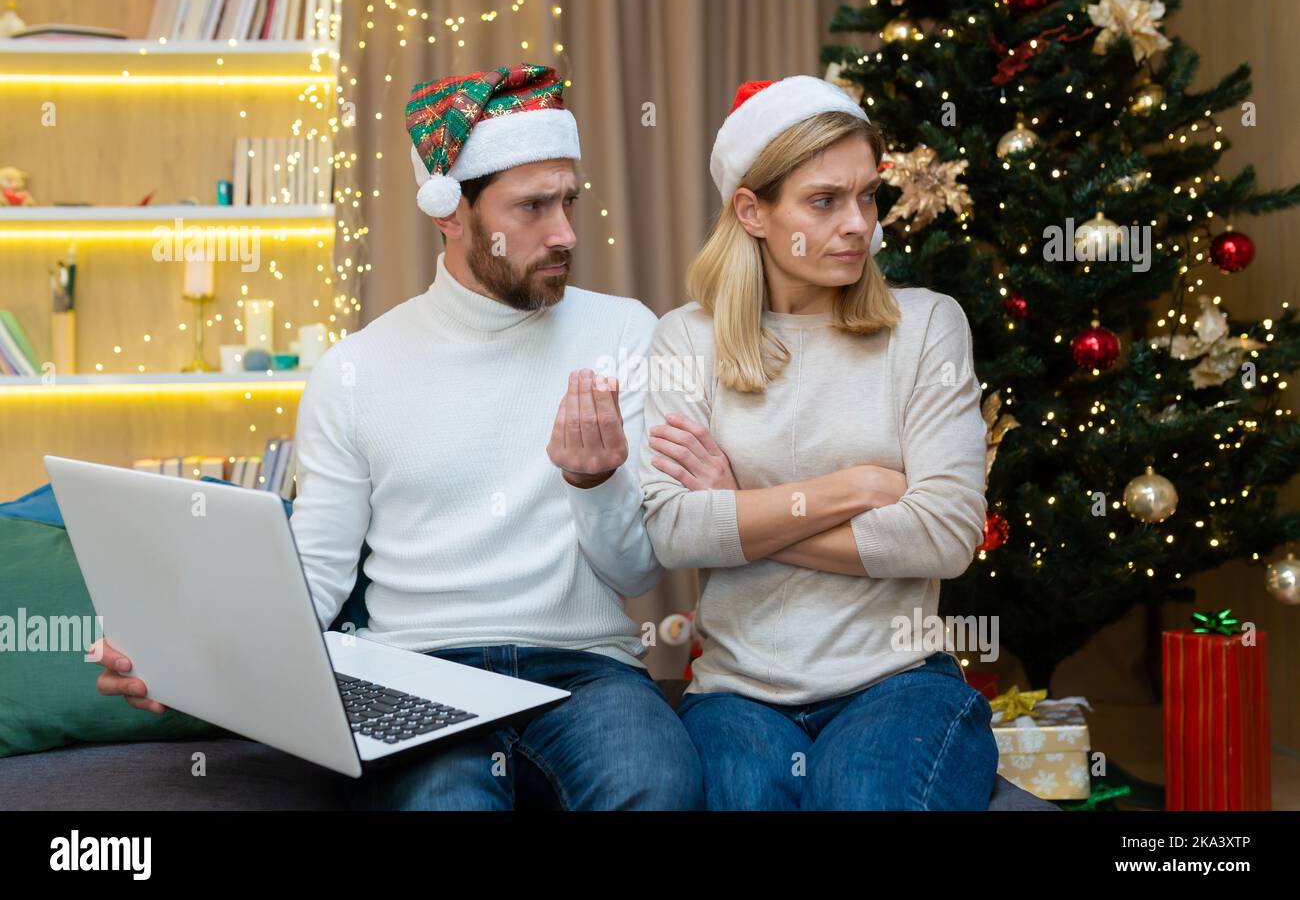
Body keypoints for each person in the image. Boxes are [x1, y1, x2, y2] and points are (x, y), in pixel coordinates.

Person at [93, 63, 703, 811]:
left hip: (585, 668)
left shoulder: (624, 331)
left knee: (659, 787)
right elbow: (313, 580)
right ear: (450, 212)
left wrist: (596, 483)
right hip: (420, 669)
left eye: (568, 200)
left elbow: (638, 574)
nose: (565, 233)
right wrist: (180, 657)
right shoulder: (356, 370)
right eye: (533, 207)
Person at [639, 75, 998, 810]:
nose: (859, 225)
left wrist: (739, 512)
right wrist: (851, 490)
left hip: (897, 682)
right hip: (736, 695)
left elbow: (946, 533)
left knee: (865, 795)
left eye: (867, 196)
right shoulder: (686, 339)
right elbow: (673, 531)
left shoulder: (927, 326)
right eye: (825, 202)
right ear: (752, 211)